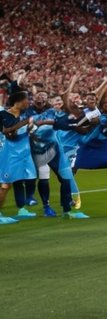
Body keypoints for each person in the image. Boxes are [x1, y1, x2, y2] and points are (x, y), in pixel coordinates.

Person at [0, 86, 39, 222]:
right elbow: (9, 134)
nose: (28, 102)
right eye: (26, 100)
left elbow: (29, 130)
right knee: (6, 185)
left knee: (21, 181)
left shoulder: (26, 114)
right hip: (9, 154)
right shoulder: (3, 115)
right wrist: (23, 124)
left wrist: (31, 128)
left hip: (24, 154)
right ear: (18, 101)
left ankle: (22, 208)